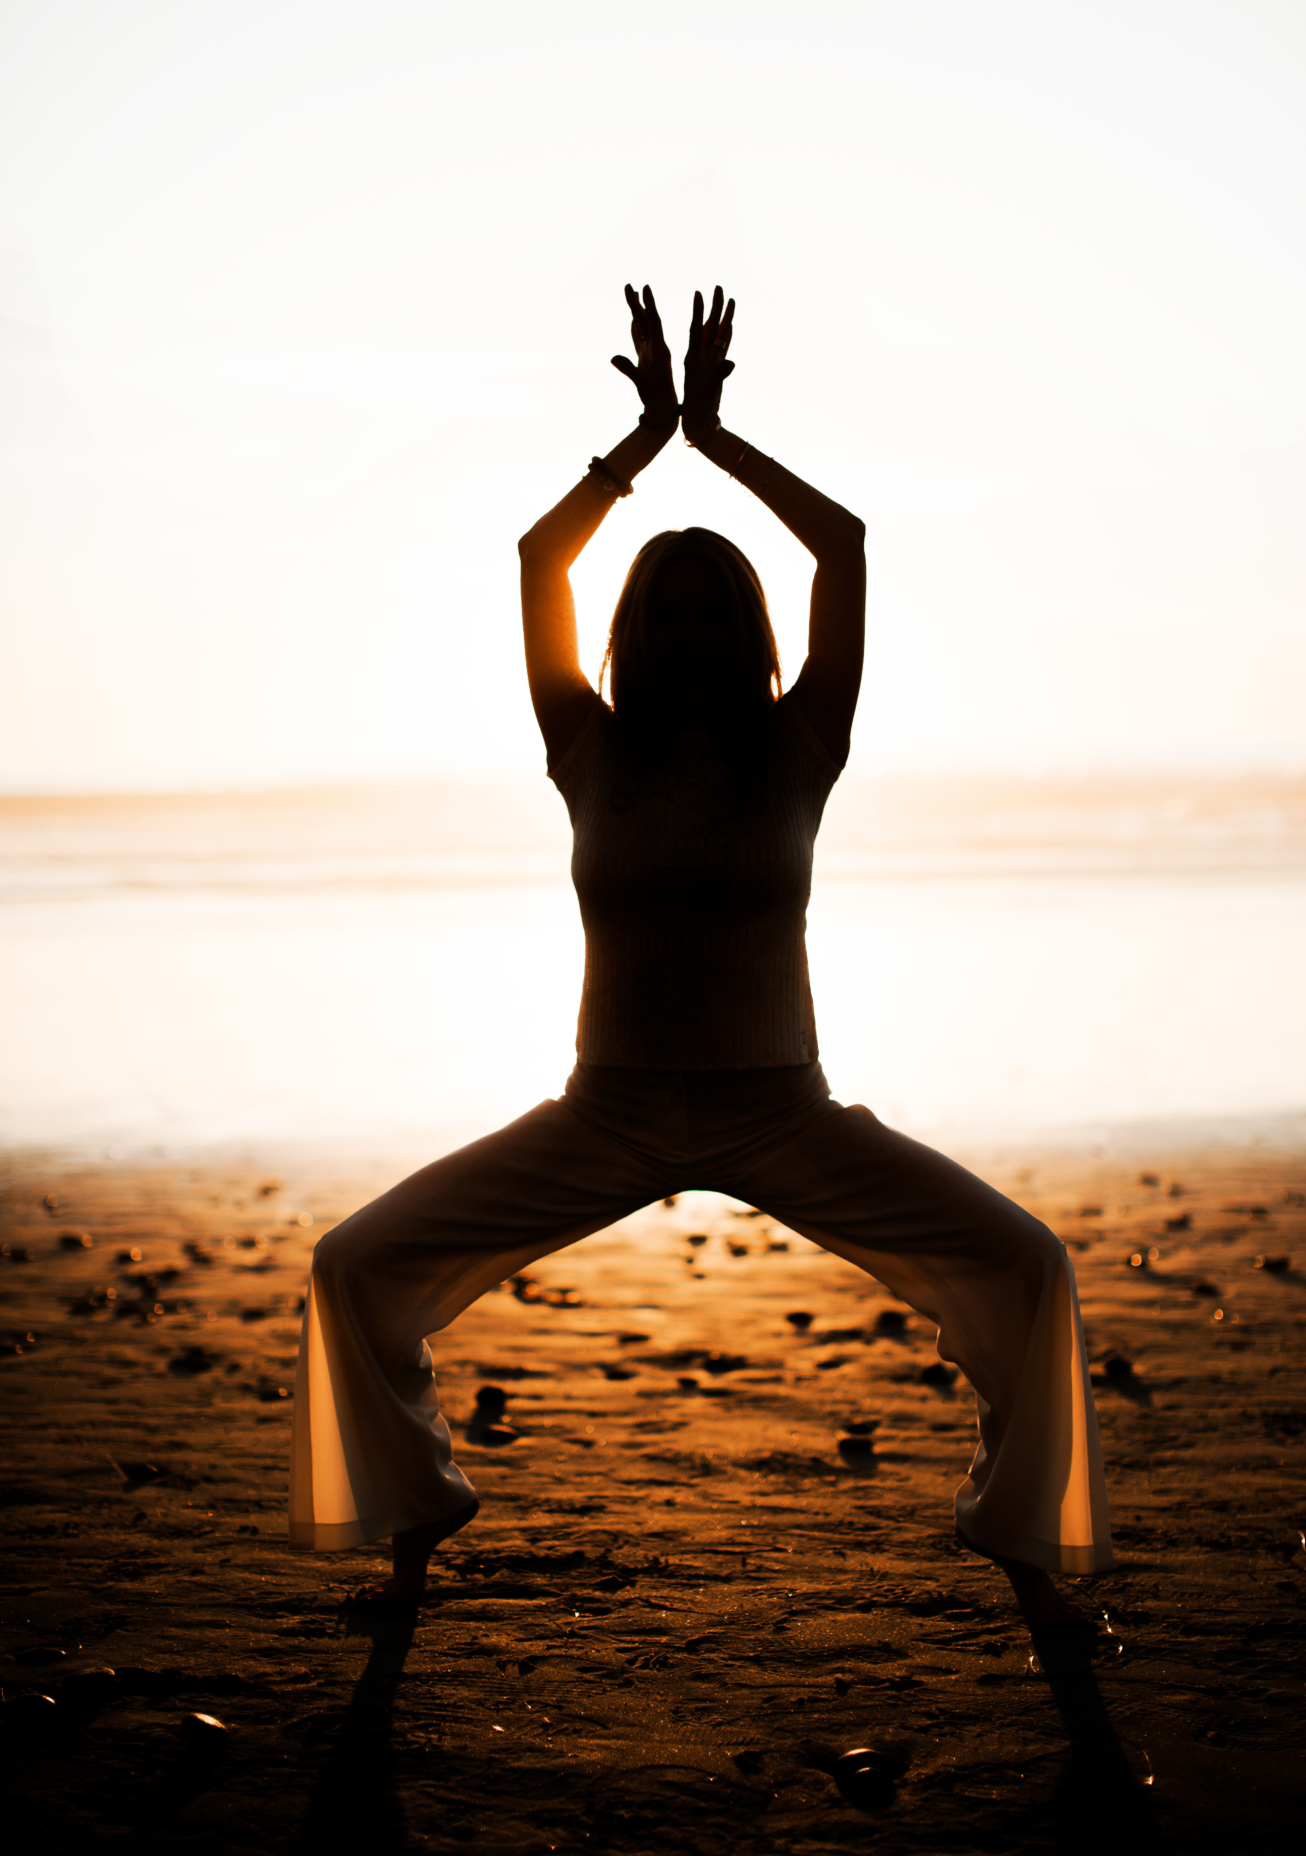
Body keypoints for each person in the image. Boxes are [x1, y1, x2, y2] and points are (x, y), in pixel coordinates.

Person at [289, 285, 1112, 1625]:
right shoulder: (584, 749)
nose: (683, 635)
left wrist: (716, 438)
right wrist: (635, 446)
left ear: (744, 632)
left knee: (1025, 1268)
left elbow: (840, 546)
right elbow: (534, 564)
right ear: (634, 634)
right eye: (662, 613)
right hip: (601, 1112)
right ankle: (420, 1510)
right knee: (354, 1266)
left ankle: (1018, 1538)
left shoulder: (800, 749)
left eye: (707, 612)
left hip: (779, 1112)